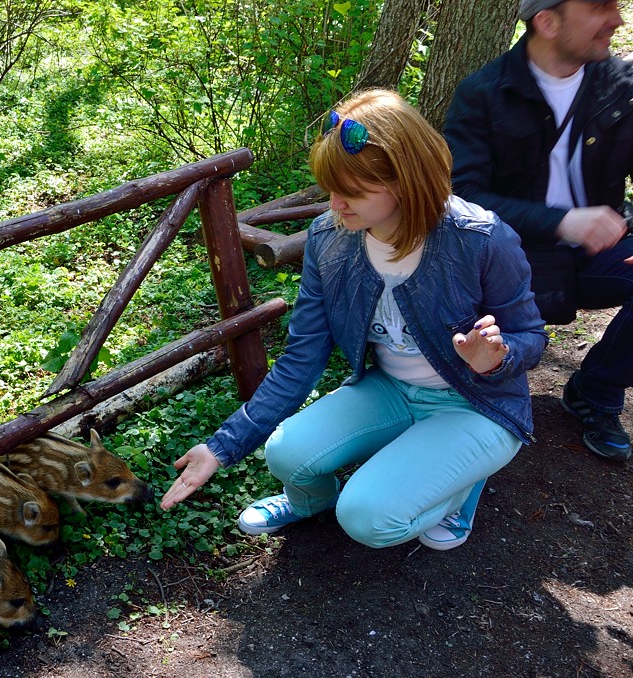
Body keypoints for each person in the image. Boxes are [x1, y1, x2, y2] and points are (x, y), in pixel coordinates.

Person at [160, 89, 548, 552]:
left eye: (352, 192)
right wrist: (223, 445)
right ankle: (309, 503)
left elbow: (531, 336)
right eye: (330, 189)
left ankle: (457, 489)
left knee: (367, 519)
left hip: (474, 402)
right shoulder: (329, 239)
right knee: (287, 453)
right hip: (391, 390)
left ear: (405, 182)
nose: (334, 204)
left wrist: (496, 360)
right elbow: (302, 355)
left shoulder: (481, 239)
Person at [443, 0, 633, 462]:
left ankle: (595, 390)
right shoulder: (484, 92)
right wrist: (563, 220)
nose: (617, 20)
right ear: (547, 21)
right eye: (599, 6)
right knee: (464, 354)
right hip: (507, 265)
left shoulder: (621, 85)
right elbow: (459, 194)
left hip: (594, 255)